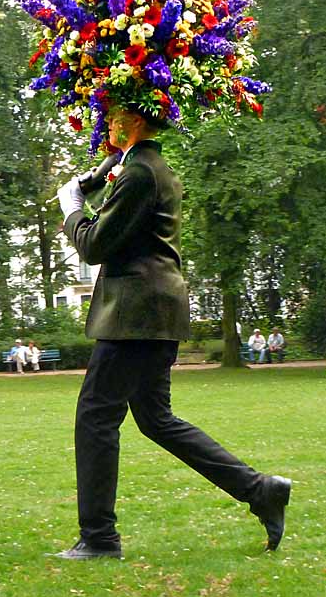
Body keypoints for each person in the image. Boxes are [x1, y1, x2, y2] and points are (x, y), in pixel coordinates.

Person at [52, 104, 291, 560]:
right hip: (154, 310)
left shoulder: (141, 173)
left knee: (96, 416)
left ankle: (99, 539)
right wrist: (100, 178)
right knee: (155, 419)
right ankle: (260, 490)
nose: (106, 122)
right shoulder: (146, 169)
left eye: (113, 114)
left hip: (135, 313)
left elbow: (95, 244)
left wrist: (72, 209)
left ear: (135, 121)